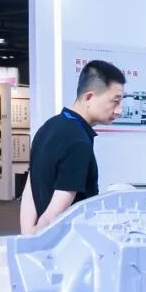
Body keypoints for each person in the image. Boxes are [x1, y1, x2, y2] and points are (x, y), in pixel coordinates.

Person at [20, 60, 125, 235]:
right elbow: (56, 214)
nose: (119, 110)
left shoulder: (47, 127)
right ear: (89, 97)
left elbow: (30, 188)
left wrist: (28, 234)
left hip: (42, 238)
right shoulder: (78, 141)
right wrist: (36, 237)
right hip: (66, 241)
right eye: (115, 101)